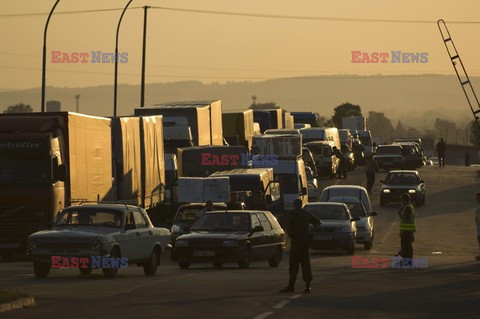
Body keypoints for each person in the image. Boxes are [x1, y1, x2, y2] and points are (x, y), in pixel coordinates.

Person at [280, 199, 321, 293]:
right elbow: (318, 223)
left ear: (294, 205)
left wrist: (290, 233)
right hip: (305, 241)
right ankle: (308, 285)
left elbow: (287, 223)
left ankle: (291, 285)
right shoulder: (306, 214)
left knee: (294, 264)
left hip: (296, 241)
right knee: (306, 263)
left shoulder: (292, 214)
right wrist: (311, 232)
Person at [398, 193, 416, 266]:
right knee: (407, 246)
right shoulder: (408, 207)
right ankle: (407, 261)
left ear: (404, 200)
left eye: (401, 199)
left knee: (406, 246)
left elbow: (406, 218)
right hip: (406, 230)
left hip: (407, 231)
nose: (401, 201)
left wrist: (400, 213)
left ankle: (407, 261)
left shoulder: (408, 207)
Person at [475, 193, 480, 260]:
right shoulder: (478, 207)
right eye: (477, 198)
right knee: (479, 238)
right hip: (479, 224)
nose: (478, 199)